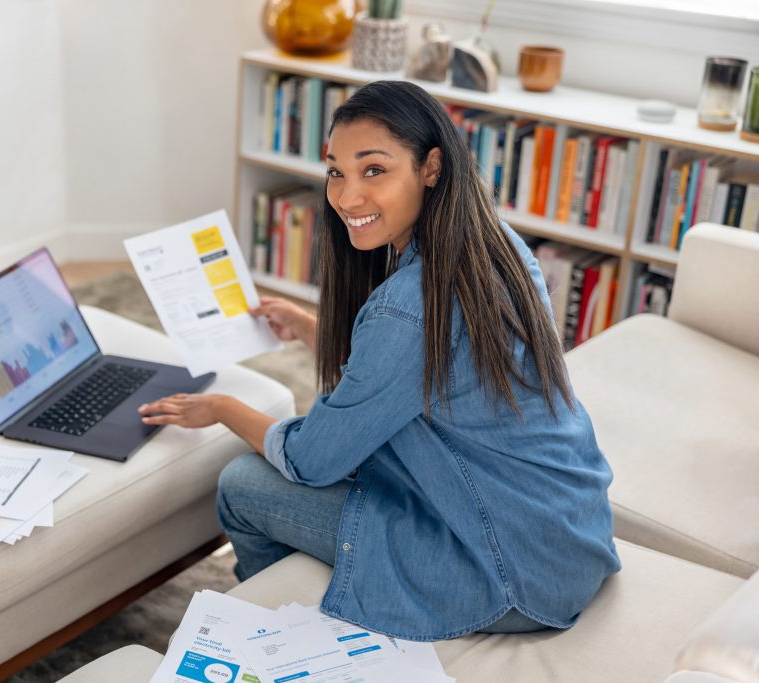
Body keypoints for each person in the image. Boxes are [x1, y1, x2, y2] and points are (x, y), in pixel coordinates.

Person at [138, 80, 621, 641]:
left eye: (374, 170)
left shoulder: (405, 310)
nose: (345, 197)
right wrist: (313, 330)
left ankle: (281, 639)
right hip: (570, 540)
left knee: (242, 485)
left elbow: (311, 460)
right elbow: (427, 372)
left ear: (431, 167)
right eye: (336, 171)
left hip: (507, 572)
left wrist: (223, 407)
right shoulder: (500, 246)